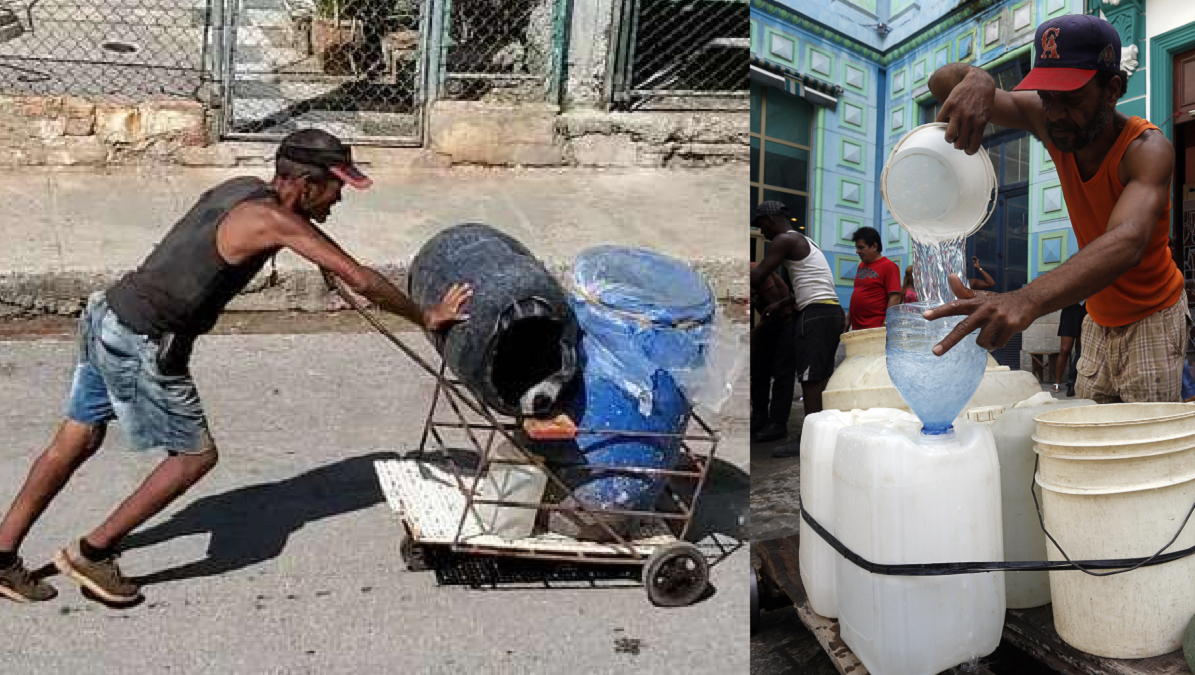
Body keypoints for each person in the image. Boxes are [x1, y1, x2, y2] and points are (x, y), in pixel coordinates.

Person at [0, 129, 472, 604]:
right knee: (194, 459)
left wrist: (320, 252)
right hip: (143, 340)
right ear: (306, 185)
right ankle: (93, 554)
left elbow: (293, 238)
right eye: (337, 187)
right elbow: (363, 281)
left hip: (108, 313)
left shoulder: (244, 189)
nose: (340, 197)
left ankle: (1, 558)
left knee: (77, 438)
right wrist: (427, 316)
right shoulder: (275, 221)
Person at [924, 14, 1187, 404]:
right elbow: (939, 83)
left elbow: (1127, 241)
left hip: (1153, 314)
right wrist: (978, 78)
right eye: (1046, 97)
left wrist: (1024, 300)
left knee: (1143, 445)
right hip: (1098, 316)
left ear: (1112, 89)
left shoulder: (1147, 149)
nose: (1055, 113)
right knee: (1086, 438)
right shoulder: (1048, 118)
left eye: (1071, 99)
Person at [750, 201, 844, 454]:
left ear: (770, 221)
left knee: (810, 377)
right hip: (830, 312)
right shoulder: (805, 241)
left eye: (761, 226)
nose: (762, 233)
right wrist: (780, 304)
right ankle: (824, 431)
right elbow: (807, 285)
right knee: (821, 375)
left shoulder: (783, 240)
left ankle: (810, 439)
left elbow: (758, 276)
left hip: (814, 315)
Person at [749, 262, 797, 444]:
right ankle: (760, 417)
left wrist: (755, 332)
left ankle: (778, 424)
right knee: (759, 370)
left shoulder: (755, 272)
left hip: (785, 322)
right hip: (769, 324)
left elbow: (775, 308)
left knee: (782, 373)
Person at [844, 227, 901, 330]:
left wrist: (886, 323)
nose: (857, 251)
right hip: (857, 328)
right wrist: (848, 319)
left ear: (874, 246)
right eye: (857, 248)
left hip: (875, 328)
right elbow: (858, 293)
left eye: (861, 247)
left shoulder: (889, 266)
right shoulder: (861, 266)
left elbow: (895, 298)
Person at [1052, 301, 1087, 397]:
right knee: (1065, 349)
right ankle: (1057, 382)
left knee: (1080, 350)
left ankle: (1075, 381)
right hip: (1070, 310)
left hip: (1086, 309)